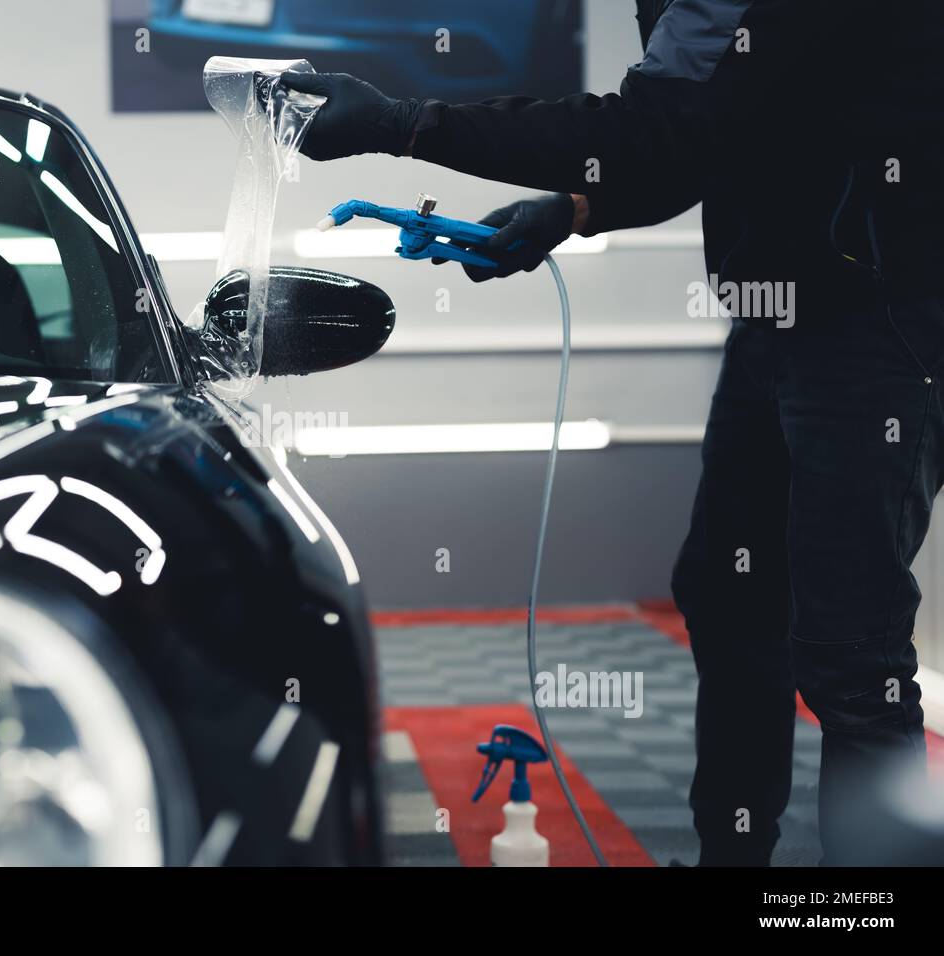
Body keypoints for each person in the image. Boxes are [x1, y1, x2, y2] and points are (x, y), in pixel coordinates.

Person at [281, 0, 944, 866]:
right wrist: (573, 209)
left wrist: (404, 126)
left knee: (850, 655)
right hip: (781, 315)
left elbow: (655, 126)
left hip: (878, 323)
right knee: (729, 598)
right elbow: (714, 133)